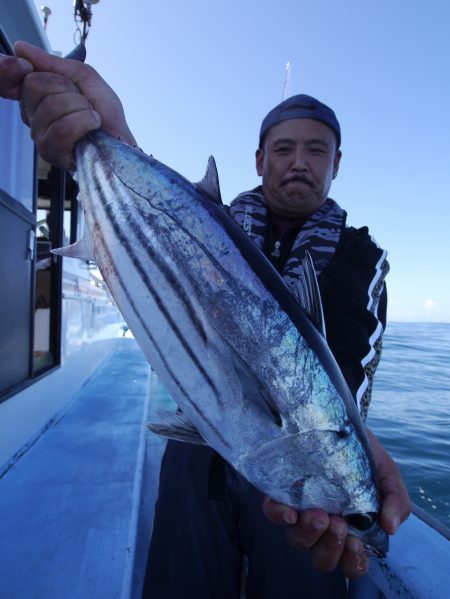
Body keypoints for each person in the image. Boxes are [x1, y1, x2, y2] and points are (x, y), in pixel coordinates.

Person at [1, 42, 411, 598]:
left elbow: (338, 369)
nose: (299, 162)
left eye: (316, 150)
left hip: (288, 492)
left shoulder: (362, 257)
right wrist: (104, 143)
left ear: (336, 162)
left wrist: (347, 448)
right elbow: (157, 236)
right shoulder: (214, 219)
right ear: (259, 160)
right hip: (201, 450)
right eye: (283, 148)